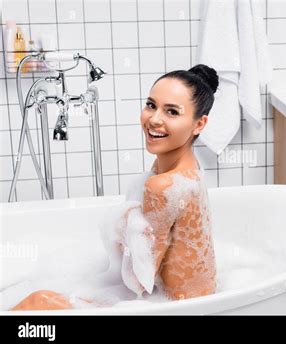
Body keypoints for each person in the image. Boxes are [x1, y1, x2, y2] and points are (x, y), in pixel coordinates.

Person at [11, 64, 219, 310]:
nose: (154, 119)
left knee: (38, 301)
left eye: (172, 112)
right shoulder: (180, 169)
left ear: (199, 124)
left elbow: (140, 281)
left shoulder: (163, 185)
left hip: (182, 309)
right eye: (151, 105)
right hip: (190, 297)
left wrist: (126, 224)